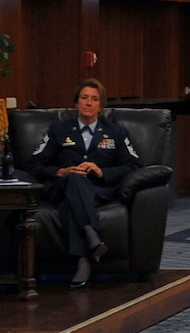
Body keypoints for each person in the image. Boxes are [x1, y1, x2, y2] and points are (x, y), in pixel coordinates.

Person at [29, 79, 143, 288]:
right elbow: (35, 163)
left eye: (94, 99)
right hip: (62, 186)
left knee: (69, 205)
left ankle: (83, 258)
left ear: (101, 106)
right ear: (76, 103)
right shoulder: (58, 130)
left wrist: (102, 172)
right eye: (84, 98)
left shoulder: (115, 132)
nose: (88, 103)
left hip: (98, 190)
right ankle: (91, 234)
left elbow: (135, 165)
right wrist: (60, 171)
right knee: (74, 178)